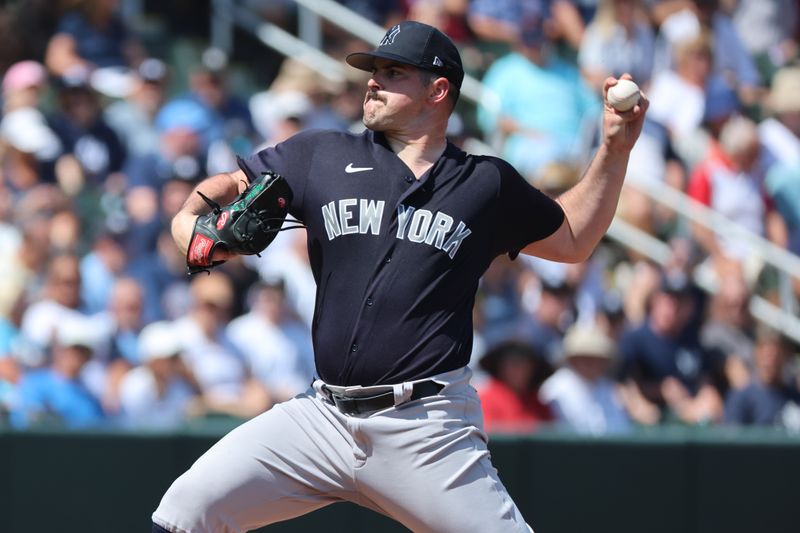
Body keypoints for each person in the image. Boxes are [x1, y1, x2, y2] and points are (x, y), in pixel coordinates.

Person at [152, 20, 648, 533]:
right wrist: (189, 216)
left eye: (393, 73)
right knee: (183, 513)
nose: (373, 81)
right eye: (373, 71)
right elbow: (235, 182)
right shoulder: (322, 153)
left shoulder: (484, 183)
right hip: (322, 417)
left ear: (438, 90)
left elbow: (572, 237)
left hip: (426, 427)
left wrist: (615, 147)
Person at [539, 323, 632, 435]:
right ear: (572, 359)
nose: (591, 364)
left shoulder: (610, 390)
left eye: (596, 358)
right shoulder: (554, 389)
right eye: (584, 358)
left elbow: (621, 430)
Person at [476, 340, 554, 433]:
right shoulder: (486, 399)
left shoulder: (538, 403)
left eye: (523, 365)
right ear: (501, 367)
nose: (518, 371)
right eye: (513, 364)